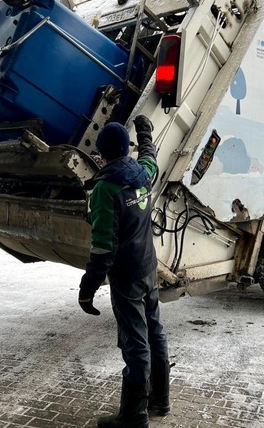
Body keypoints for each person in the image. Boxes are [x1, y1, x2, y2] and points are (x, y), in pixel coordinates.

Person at [78, 115, 170, 428]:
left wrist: (86, 290)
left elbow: (103, 250)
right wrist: (145, 131)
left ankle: (134, 417)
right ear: (125, 150)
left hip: (127, 278)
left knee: (135, 344)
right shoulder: (142, 174)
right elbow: (150, 156)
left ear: (101, 154)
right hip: (147, 268)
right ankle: (161, 400)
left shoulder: (105, 189)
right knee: (155, 333)